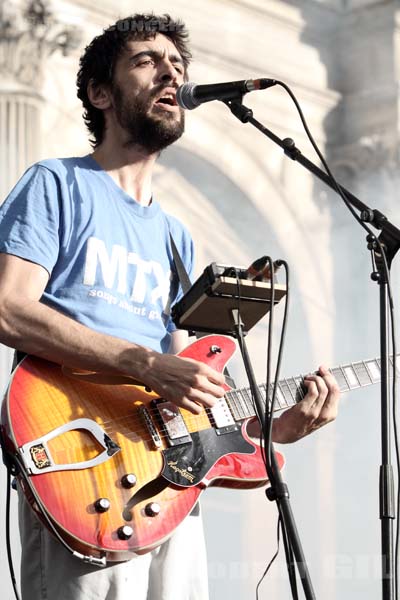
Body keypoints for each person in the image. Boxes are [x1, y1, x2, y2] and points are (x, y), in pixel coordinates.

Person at [0, 13, 340, 600]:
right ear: (99, 94)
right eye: (146, 62)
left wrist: (269, 428)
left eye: (177, 65)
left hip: (164, 487)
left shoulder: (177, 239)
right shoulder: (55, 185)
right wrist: (146, 363)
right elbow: (7, 308)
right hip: (80, 463)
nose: (171, 73)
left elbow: (189, 396)